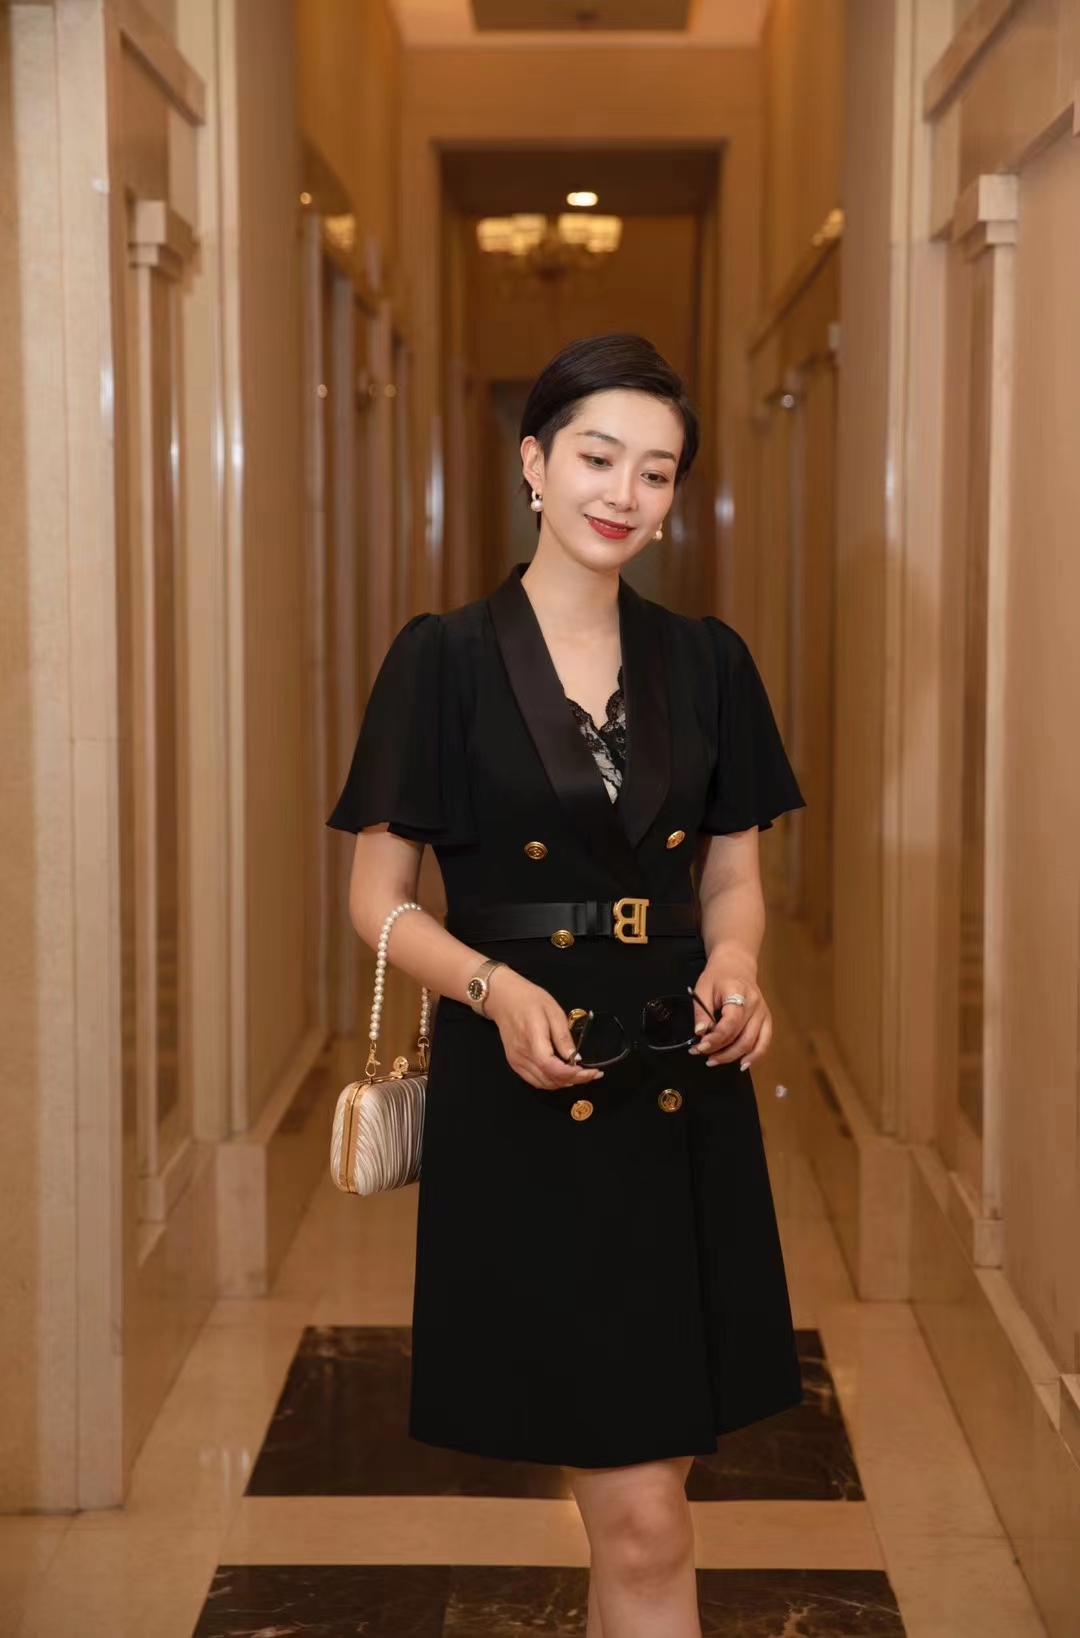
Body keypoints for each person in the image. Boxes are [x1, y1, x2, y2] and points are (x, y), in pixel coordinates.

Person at [326, 332, 807, 1637]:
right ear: (534, 463)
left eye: (657, 471)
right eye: (599, 457)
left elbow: (730, 877)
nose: (625, 493)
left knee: (655, 1502)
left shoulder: (708, 660)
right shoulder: (442, 659)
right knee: (646, 1518)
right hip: (525, 1093)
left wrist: (737, 963)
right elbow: (378, 901)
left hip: (678, 1083)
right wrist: (491, 989)